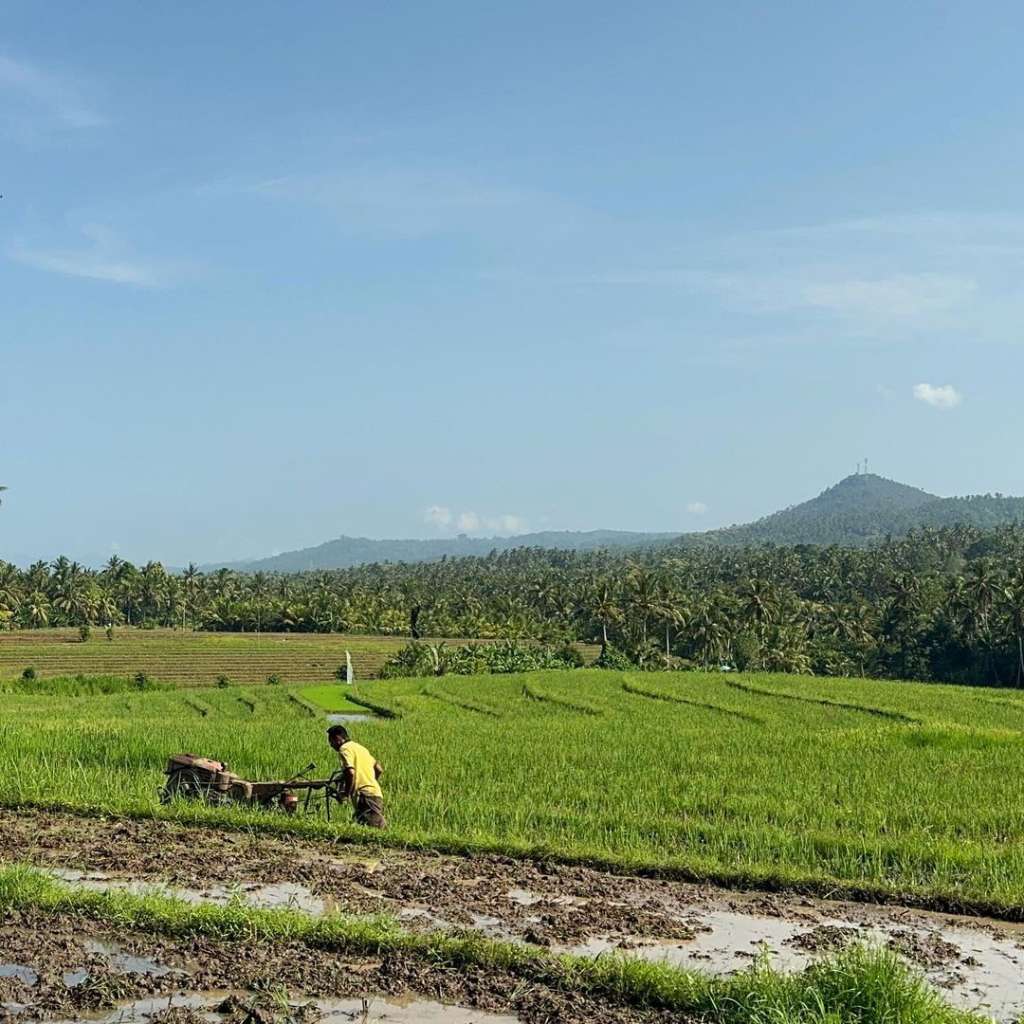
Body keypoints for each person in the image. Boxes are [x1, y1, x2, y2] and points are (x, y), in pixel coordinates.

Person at [327, 724, 386, 828]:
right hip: (375, 793)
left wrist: (346, 793)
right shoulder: (360, 748)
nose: (331, 745)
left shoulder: (344, 749)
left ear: (338, 738)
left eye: (331, 742)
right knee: (365, 827)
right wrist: (370, 781)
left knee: (373, 830)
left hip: (364, 796)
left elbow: (350, 773)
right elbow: (379, 769)